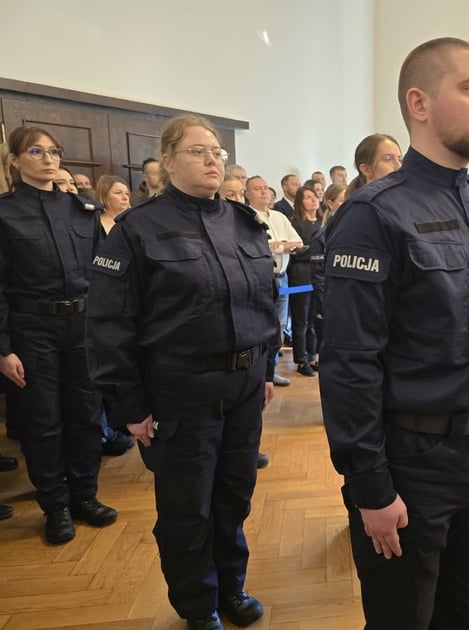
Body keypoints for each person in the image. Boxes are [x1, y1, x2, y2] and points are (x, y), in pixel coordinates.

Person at [320, 37, 469, 630]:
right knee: (402, 617)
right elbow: (350, 363)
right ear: (420, 103)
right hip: (410, 463)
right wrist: (370, 488)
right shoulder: (375, 215)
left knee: (464, 608)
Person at [86, 114, 277, 630]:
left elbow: (264, 305)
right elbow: (109, 324)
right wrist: (129, 406)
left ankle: (231, 588)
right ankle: (198, 606)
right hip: (178, 391)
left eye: (217, 151)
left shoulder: (245, 223)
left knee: (234, 494)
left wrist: (264, 372)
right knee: (187, 507)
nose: (213, 160)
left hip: (241, 386)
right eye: (198, 151)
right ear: (167, 161)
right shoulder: (137, 230)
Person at [0, 126, 117, 545]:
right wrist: (3, 348)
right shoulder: (5, 212)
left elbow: (101, 276)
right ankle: (55, 505)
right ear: (14, 160)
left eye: (55, 151)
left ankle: (85, 494)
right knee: (43, 421)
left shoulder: (81, 209)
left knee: (86, 414)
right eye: (36, 151)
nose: (49, 159)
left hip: (82, 327)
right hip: (33, 330)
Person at [245, 175, 302, 387]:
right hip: (260, 278)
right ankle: (258, 373)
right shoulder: (247, 216)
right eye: (257, 188)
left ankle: (272, 369)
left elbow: (298, 242)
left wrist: (276, 245)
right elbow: (257, 246)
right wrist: (281, 246)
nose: (263, 192)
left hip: (282, 277)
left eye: (265, 188)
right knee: (261, 326)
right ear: (247, 193)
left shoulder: (279, 217)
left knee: (278, 327)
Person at [93, 175, 135, 456]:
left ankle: (119, 423)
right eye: (118, 193)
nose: (125, 197)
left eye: (127, 192)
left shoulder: (132, 225)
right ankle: (106, 430)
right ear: (104, 196)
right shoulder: (94, 225)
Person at [288, 184, 322, 376]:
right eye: (308, 197)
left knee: (313, 320)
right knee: (300, 320)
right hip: (301, 275)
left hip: (318, 275)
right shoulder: (295, 224)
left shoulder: (322, 223)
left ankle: (312, 356)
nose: (313, 199)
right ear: (300, 201)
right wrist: (315, 250)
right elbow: (295, 251)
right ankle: (301, 360)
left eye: (315, 195)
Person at [309, 182, 346, 348]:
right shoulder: (322, 237)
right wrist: (327, 308)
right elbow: (319, 278)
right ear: (330, 203)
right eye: (342, 200)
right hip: (331, 306)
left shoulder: (355, 231)